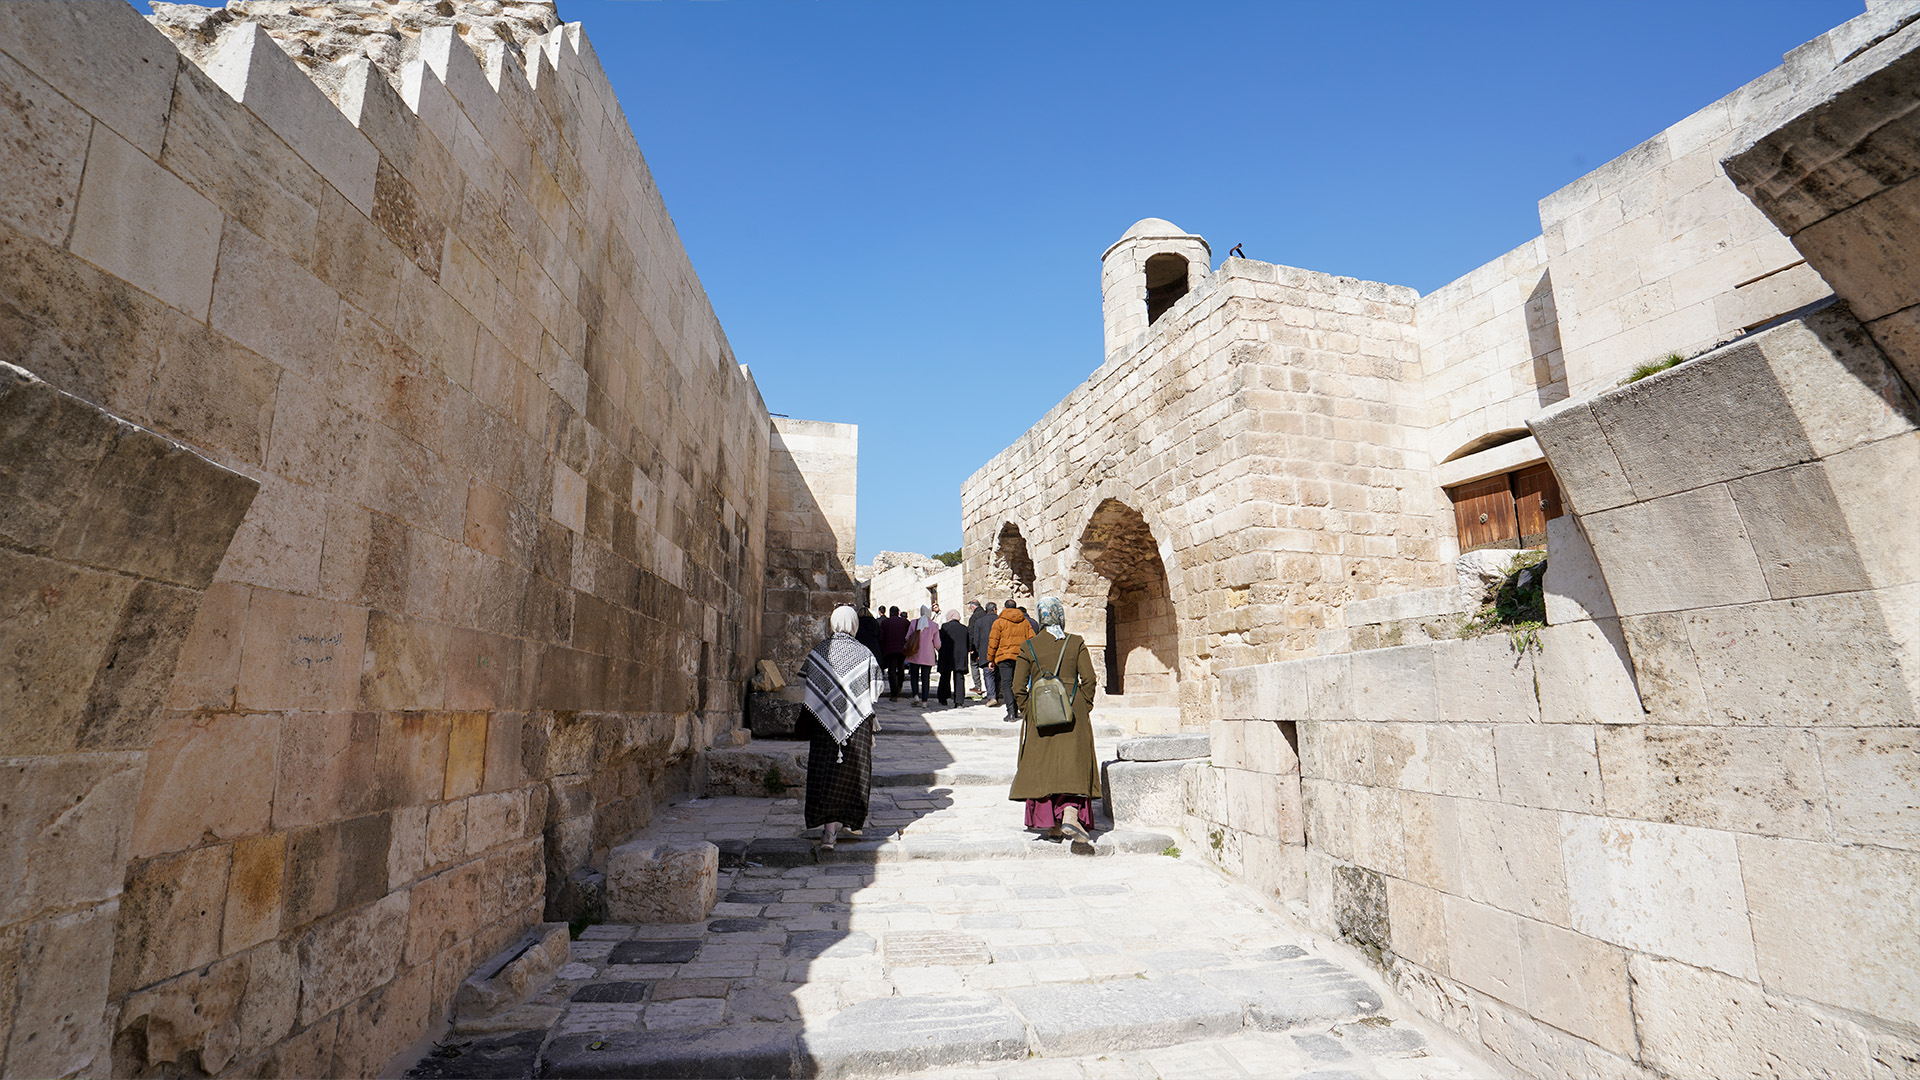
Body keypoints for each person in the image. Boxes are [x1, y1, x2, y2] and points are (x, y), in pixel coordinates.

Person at [1008, 596, 1100, 842]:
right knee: (1073, 762)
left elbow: (1017, 686)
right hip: (1073, 708)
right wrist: (1084, 705)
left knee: (1044, 766)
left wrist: (1029, 710)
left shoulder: (1029, 646)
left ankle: (1053, 825)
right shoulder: (1075, 642)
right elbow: (1089, 679)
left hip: (1041, 711)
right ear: (1059, 615)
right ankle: (1070, 812)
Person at [799, 605, 883, 850]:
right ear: (854, 624)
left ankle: (829, 832)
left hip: (823, 721)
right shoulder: (865, 653)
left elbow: (808, 686)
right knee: (855, 774)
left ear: (833, 622)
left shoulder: (819, 652)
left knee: (825, 774)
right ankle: (852, 822)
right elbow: (877, 689)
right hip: (857, 723)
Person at [987, 600, 1035, 722]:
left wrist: (990, 659)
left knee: (1007, 684)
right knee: (1018, 684)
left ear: (1004, 608)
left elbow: (993, 642)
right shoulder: (1025, 622)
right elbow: (1032, 639)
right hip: (1021, 656)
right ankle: (1018, 709)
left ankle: (1011, 712)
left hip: (1004, 657)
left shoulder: (999, 622)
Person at [905, 605, 939, 705]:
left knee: (914, 676)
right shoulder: (934, 625)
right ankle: (924, 701)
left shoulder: (913, 623)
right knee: (925, 678)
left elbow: (907, 637)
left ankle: (915, 695)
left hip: (915, 653)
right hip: (928, 655)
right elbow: (937, 643)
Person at [937, 607, 970, 705]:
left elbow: (940, 641)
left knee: (945, 676)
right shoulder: (964, 628)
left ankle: (943, 698)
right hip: (960, 656)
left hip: (947, 655)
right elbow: (968, 643)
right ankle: (959, 701)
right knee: (959, 677)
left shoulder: (945, 627)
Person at [968, 600, 997, 702]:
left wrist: (973, 649)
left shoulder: (976, 619)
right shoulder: (998, 619)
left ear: (972, 608)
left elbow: (973, 635)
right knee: (997, 673)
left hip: (984, 650)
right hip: (998, 649)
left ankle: (988, 694)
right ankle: (998, 693)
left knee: (987, 673)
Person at [879, 605, 909, 700]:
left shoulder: (885, 623)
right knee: (901, 668)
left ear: (890, 613)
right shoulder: (905, 622)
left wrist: (882, 650)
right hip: (902, 649)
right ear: (898, 613)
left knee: (891, 670)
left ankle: (894, 693)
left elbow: (882, 638)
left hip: (890, 649)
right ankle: (899, 686)